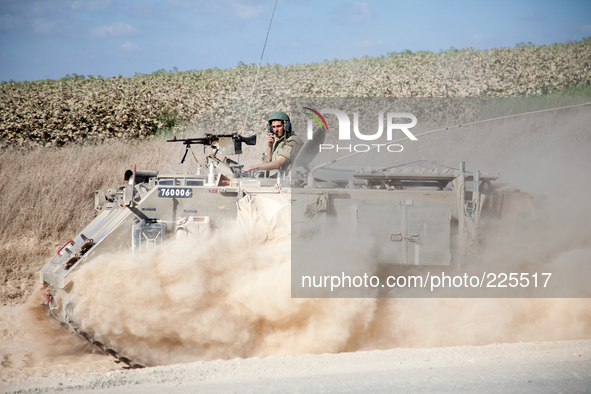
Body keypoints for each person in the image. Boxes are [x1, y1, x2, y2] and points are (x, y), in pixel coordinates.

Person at [243, 111, 303, 177]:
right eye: (273, 127)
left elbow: (278, 164)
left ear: (286, 126)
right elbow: (267, 163)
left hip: (286, 183)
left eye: (279, 126)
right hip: (274, 181)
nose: (276, 130)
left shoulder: (293, 141)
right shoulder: (280, 142)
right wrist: (270, 146)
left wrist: (254, 167)